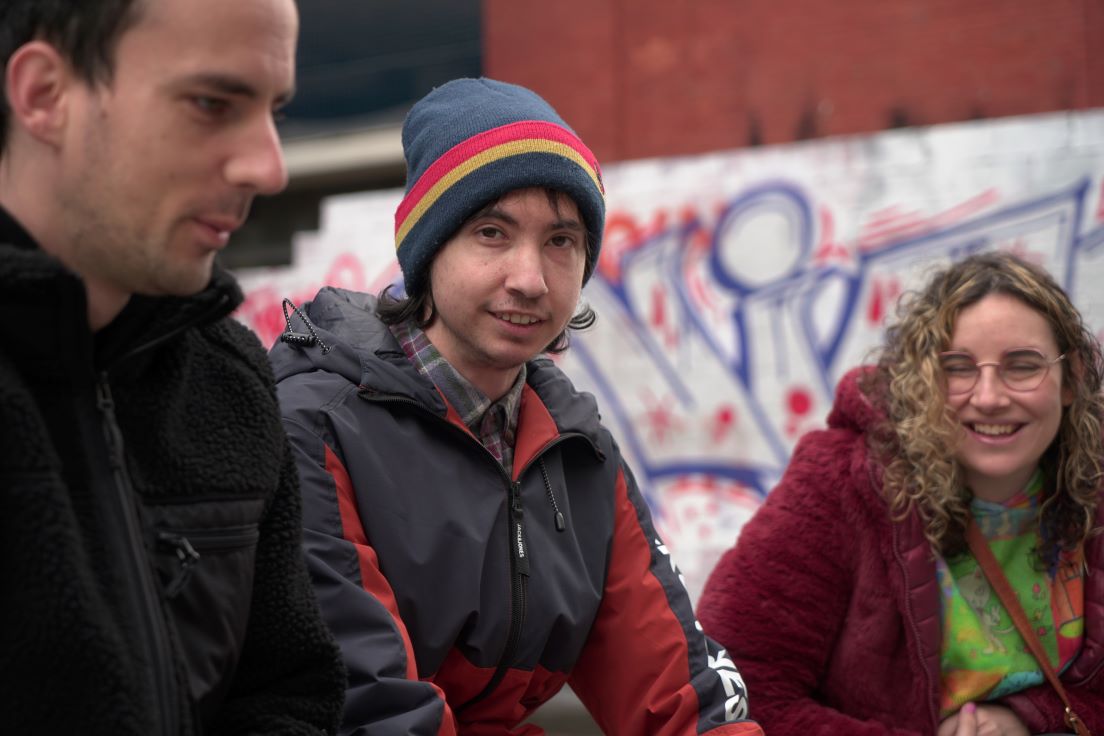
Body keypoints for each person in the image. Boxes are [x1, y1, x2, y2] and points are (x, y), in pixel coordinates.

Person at [271, 77, 762, 735]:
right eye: (492, 232)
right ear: (427, 249)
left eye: (561, 241)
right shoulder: (314, 424)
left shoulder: (578, 451)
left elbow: (680, 690)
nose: (529, 279)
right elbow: (369, 707)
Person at [0, 0, 346, 733]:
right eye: (212, 103)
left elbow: (287, 693)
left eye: (273, 111)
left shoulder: (230, 382)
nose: (270, 166)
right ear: (43, 96)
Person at [698, 251, 1104, 735]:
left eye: (1022, 366)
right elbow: (733, 684)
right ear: (921, 380)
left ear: (1071, 377)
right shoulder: (840, 482)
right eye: (957, 367)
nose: (990, 396)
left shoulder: (1094, 492)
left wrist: (1026, 716)